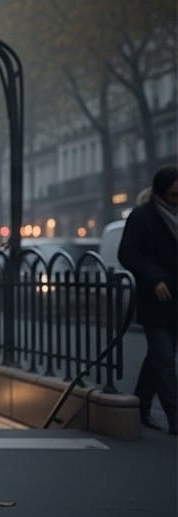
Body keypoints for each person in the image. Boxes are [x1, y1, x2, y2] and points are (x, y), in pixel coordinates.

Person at [118, 165, 178, 434]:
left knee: (158, 358)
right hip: (155, 299)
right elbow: (127, 253)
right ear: (161, 192)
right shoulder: (143, 217)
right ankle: (175, 417)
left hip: (175, 299)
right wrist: (154, 278)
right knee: (164, 359)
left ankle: (141, 405)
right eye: (175, 195)